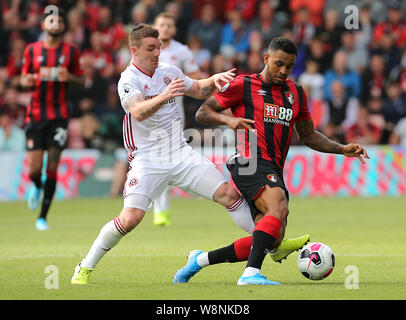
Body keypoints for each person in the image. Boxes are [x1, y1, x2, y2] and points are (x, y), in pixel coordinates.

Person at [71, 23, 294, 285]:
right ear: (134, 50)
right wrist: (165, 94)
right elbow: (138, 112)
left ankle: (269, 243)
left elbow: (198, 89)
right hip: (147, 158)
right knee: (130, 219)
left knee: (228, 194)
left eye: (159, 47)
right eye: (150, 48)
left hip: (179, 152)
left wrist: (214, 80)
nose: (157, 53)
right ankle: (85, 266)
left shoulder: (168, 71)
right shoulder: (128, 80)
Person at [173, 37, 369, 286]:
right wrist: (229, 121)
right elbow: (202, 112)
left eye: (289, 66)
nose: (284, 71)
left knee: (271, 238)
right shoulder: (243, 85)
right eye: (279, 64)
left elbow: (308, 135)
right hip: (249, 160)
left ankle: (199, 260)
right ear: (266, 58)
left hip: (273, 166)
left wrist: (341, 148)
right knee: (279, 206)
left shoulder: (296, 92)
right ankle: (250, 273)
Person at [19, 8, 84, 230]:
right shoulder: (31, 50)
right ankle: (36, 186)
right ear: (43, 24)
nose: (55, 23)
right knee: (34, 170)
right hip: (36, 115)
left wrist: (71, 77)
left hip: (59, 116)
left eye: (59, 21)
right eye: (51, 19)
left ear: (63, 27)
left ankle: (42, 217)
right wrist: (26, 81)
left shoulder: (71, 51)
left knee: (53, 165)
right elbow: (23, 77)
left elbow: (83, 81)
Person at [151, 12, 201, 226]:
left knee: (166, 159)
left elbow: (196, 76)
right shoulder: (146, 49)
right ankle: (156, 206)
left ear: (174, 29)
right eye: (161, 24)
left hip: (173, 115)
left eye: (169, 25)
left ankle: (161, 209)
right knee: (155, 159)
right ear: (155, 26)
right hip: (148, 114)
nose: (165, 28)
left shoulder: (181, 51)